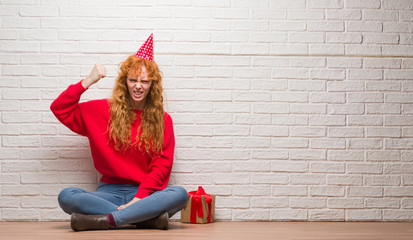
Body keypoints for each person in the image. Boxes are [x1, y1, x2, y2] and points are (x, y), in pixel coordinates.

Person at [50, 34, 188, 231]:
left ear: (152, 85)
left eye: (145, 81)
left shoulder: (163, 120)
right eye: (133, 80)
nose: (138, 86)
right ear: (125, 82)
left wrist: (139, 199)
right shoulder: (101, 111)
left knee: (180, 194)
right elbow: (60, 108)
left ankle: (110, 220)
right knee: (67, 196)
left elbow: (162, 166)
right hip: (108, 192)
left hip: (145, 194)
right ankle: (145, 219)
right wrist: (88, 81)